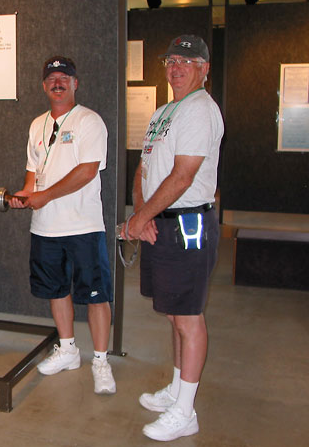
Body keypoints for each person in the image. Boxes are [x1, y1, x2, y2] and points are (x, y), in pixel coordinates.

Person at [121, 35, 223, 441]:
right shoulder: (164, 111)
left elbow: (182, 176)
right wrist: (140, 214)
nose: (176, 66)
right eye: (172, 59)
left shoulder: (200, 110)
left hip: (188, 225)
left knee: (189, 316)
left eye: (187, 60)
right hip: (161, 222)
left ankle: (186, 411)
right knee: (174, 314)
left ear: (204, 68)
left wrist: (140, 218)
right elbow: (145, 168)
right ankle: (178, 390)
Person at [9, 56, 115, 395]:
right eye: (52, 77)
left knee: (96, 295)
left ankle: (101, 360)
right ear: (44, 85)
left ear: (75, 83)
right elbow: (32, 170)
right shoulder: (36, 123)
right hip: (45, 226)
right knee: (57, 290)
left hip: (83, 225)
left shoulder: (90, 121)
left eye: (64, 77)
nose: (58, 82)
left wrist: (46, 196)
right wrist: (26, 194)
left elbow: (87, 171)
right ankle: (68, 349)